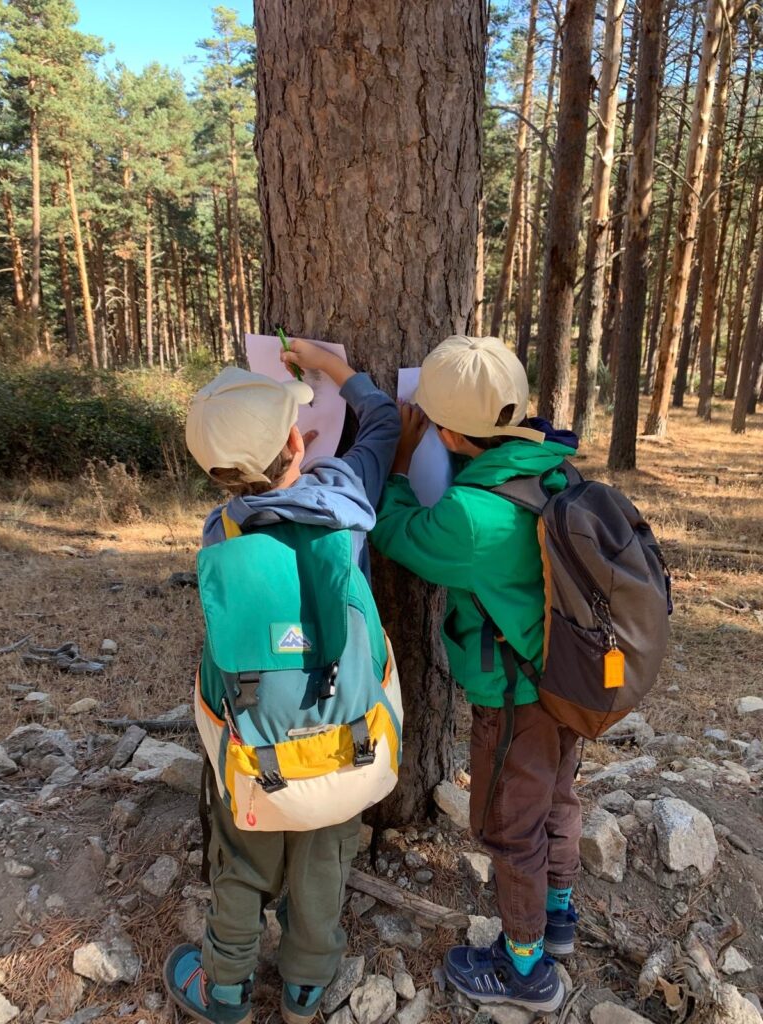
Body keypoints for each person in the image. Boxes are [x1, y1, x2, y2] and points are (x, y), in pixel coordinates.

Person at [164, 341, 400, 1024]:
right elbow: (383, 423)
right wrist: (337, 370)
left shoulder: (220, 530)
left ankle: (227, 989)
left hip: (257, 741)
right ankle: (304, 987)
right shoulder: (345, 498)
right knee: (324, 855)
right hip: (342, 736)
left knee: (240, 854)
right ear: (299, 439)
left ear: (215, 471)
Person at [371, 335, 581, 1015]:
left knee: (508, 827)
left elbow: (397, 534)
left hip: (516, 700)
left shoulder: (472, 517)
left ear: (452, 432)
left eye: (431, 420)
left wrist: (401, 465)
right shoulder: (552, 466)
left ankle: (525, 969)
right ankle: (559, 915)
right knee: (555, 801)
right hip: (568, 684)